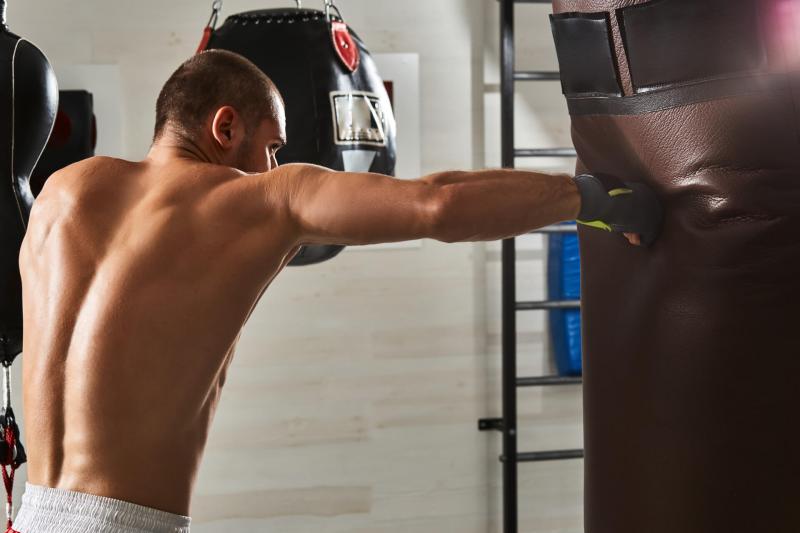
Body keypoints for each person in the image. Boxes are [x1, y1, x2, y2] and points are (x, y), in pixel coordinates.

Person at [13, 50, 661, 533]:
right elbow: (436, 205)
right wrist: (595, 199)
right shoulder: (257, 199)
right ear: (225, 126)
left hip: (32, 514)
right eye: (272, 147)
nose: (273, 165)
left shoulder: (61, 194)